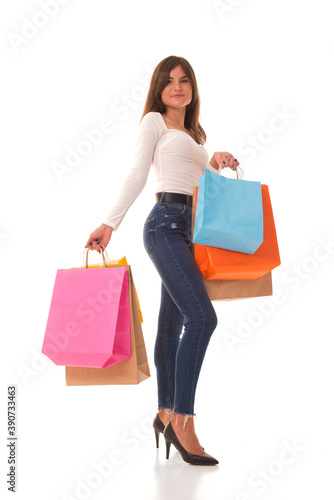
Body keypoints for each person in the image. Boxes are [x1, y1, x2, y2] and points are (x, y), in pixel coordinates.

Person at [85, 55, 239, 465]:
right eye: (169, 81)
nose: (177, 86)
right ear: (158, 89)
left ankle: (165, 411)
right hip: (166, 225)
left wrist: (216, 162)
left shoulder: (192, 135)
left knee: (172, 327)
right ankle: (183, 421)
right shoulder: (154, 122)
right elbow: (138, 171)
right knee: (203, 318)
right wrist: (109, 223)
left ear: (192, 89)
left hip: (192, 232)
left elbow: (204, 188)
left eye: (184, 80)